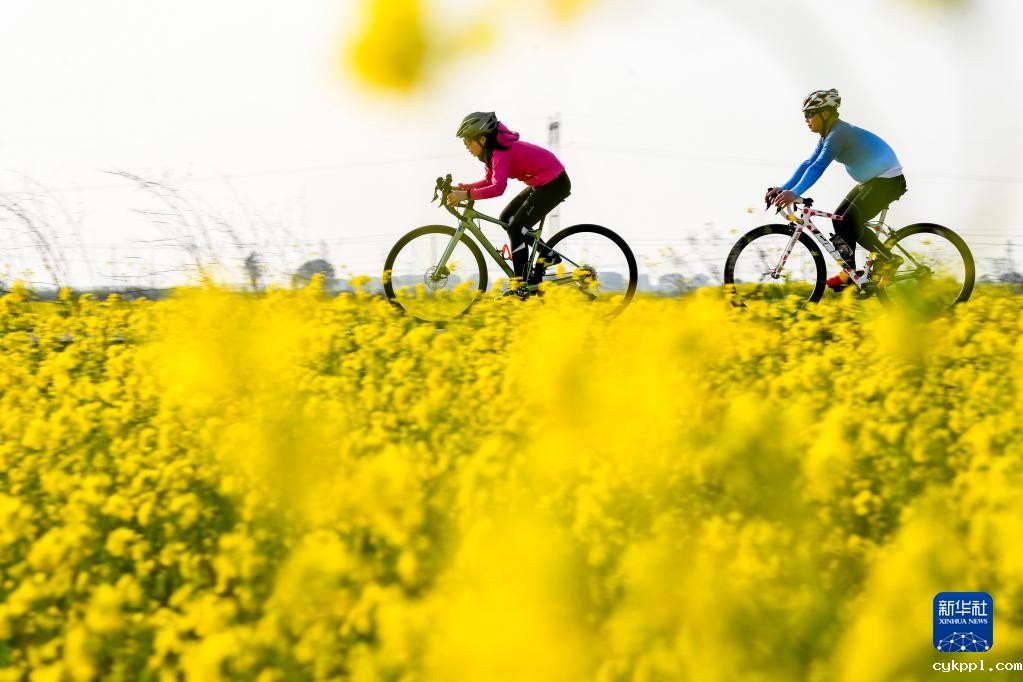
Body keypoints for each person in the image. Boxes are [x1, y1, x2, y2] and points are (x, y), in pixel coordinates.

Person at [767, 89, 906, 290]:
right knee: (839, 218)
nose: (807, 119)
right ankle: (849, 272)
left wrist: (794, 193)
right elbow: (808, 163)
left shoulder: (838, 134)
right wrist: (784, 187)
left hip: (888, 180)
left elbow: (818, 167)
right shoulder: (828, 135)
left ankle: (889, 260)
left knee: (850, 220)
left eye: (810, 114)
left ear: (826, 114)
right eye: (805, 115)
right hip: (873, 181)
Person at [447, 111, 571, 288]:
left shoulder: (499, 153)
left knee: (517, 227)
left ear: (482, 139)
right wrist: (464, 188)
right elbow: (490, 181)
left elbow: (498, 188)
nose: (466, 146)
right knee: (506, 218)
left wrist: (467, 195)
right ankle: (547, 254)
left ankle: (519, 284)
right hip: (543, 181)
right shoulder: (491, 154)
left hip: (555, 183)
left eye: (468, 141)